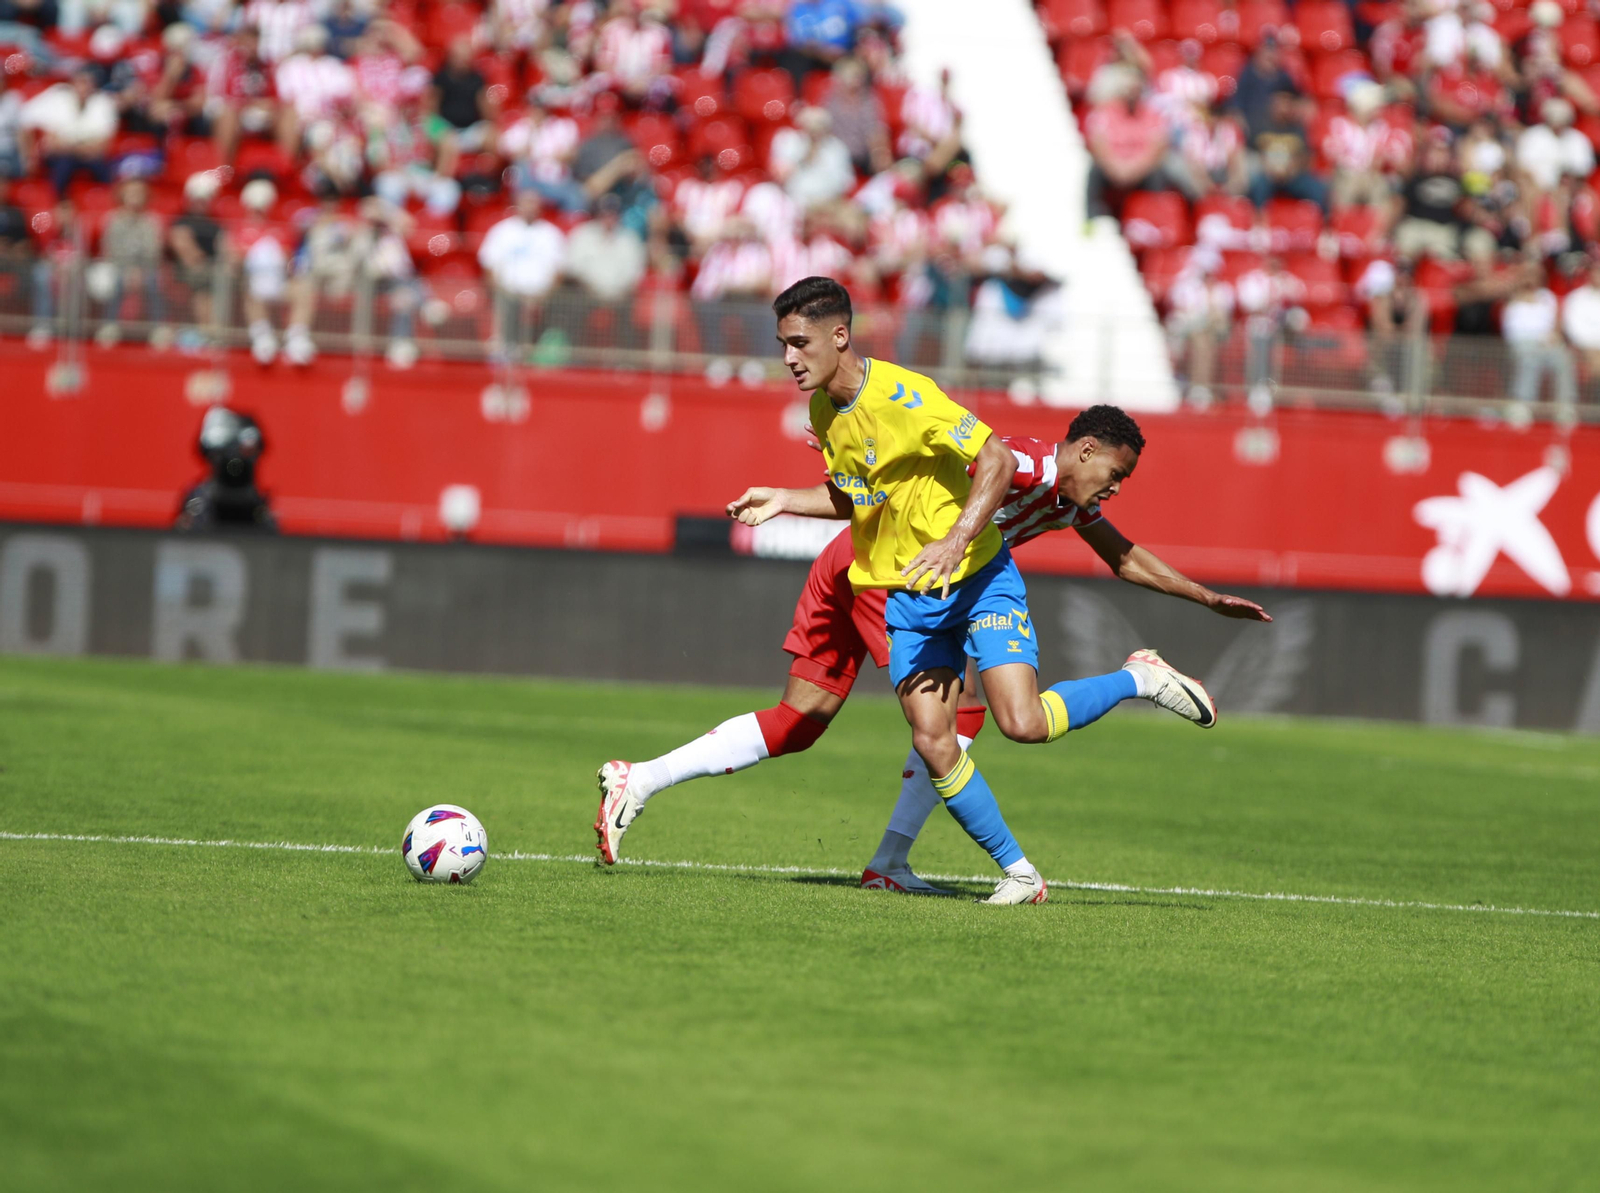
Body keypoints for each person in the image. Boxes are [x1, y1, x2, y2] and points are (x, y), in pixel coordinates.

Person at [596, 278, 1269, 900]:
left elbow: (1122, 556)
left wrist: (1207, 598)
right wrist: (791, 499)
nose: (789, 358)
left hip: (934, 572)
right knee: (954, 721)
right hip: (889, 576)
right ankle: (907, 860)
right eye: (785, 345)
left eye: (797, 342)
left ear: (839, 336)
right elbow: (885, 489)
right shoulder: (996, 454)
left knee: (813, 722)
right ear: (1086, 453)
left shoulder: (1056, 493)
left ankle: (651, 781)